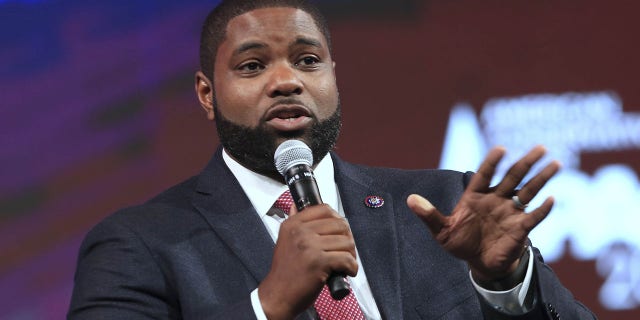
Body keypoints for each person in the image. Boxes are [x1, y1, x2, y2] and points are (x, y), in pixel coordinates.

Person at [68, 0, 596, 319]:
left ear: (333, 77)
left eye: (308, 60)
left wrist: (507, 284)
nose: (286, 81)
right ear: (207, 94)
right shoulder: (138, 242)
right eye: (252, 66)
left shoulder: (443, 205)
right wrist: (266, 306)